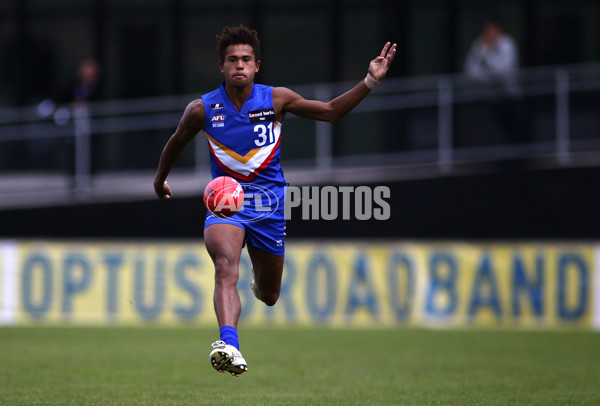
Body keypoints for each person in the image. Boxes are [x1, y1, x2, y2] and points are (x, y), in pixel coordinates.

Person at [153, 25, 396, 377]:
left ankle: (258, 286)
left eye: (246, 60)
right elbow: (176, 143)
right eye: (232, 60)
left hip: (270, 206)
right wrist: (160, 180)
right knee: (225, 266)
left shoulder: (277, 99)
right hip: (227, 203)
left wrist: (370, 81)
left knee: (269, 295)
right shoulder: (201, 110)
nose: (239, 65)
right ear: (221, 66)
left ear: (257, 65)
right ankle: (228, 344)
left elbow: (330, 111)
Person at [464, 19, 529, 145]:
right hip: (490, 97)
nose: (489, 34)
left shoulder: (507, 44)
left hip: (509, 95)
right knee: (496, 132)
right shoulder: (479, 45)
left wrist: (486, 55)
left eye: (492, 31)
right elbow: (471, 73)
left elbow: (502, 73)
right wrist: (489, 78)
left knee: (515, 128)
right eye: (486, 31)